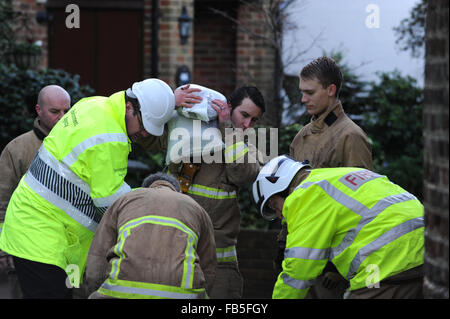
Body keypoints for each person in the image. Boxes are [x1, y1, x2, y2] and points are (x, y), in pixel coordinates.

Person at [0, 79, 201, 299]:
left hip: (50, 236)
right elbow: (112, 203)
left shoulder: (95, 104)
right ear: (129, 107)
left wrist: (169, 101)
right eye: (144, 126)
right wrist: (153, 208)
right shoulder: (109, 140)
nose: (144, 134)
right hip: (41, 241)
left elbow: (141, 103)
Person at [253, 155, 424, 299]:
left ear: (280, 186)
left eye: (275, 206)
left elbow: (299, 270)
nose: (280, 215)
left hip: (388, 263)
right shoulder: (344, 174)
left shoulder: (303, 195)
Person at [277, 56, 375, 298]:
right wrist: (283, 242)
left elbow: (365, 205)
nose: (302, 99)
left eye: (309, 92)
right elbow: (293, 197)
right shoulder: (300, 137)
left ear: (331, 90)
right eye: (301, 92)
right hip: (300, 255)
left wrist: (336, 270)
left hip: (331, 264)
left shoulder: (351, 137)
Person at [168, 86, 265, 298]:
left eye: (254, 120)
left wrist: (229, 130)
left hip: (219, 261)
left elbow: (243, 174)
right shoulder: (192, 127)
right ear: (227, 107)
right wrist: (171, 103)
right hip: (176, 248)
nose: (247, 125)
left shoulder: (247, 145)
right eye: (244, 115)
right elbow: (149, 138)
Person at [83, 172, 216, 299]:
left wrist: (96, 289)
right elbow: (208, 266)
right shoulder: (196, 208)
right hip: (183, 294)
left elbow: (98, 257)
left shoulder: (125, 200)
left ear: (146, 188)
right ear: (177, 191)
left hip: (121, 290)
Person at [0, 85, 71, 298]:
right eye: (55, 111)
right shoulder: (17, 149)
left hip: (66, 255)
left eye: (67, 111)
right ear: (39, 110)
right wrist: (4, 251)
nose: (62, 117)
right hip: (24, 253)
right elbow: (2, 202)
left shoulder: (80, 146)